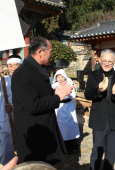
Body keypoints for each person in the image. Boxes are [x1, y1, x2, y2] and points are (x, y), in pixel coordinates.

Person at [11, 36, 74, 165]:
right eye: (50, 51)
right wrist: (57, 97)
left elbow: (43, 94)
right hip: (34, 138)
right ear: (40, 52)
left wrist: (56, 93)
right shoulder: (21, 74)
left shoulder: (38, 70)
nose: (52, 55)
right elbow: (33, 105)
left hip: (44, 133)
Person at [84, 49, 115, 170]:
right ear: (100, 61)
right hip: (99, 119)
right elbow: (87, 94)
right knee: (96, 152)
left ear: (114, 62)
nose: (106, 63)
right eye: (104, 61)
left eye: (109, 61)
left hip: (114, 119)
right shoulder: (93, 75)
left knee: (111, 152)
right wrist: (98, 89)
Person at [0, 54, 22, 165]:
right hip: (5, 121)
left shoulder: (25, 81)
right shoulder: (3, 81)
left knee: (22, 149)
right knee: (5, 150)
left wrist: (14, 106)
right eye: (10, 65)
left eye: (16, 65)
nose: (12, 68)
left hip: (21, 121)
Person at [51, 69, 80, 154]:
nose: (60, 79)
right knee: (60, 128)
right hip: (58, 108)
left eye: (62, 77)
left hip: (68, 108)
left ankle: (73, 146)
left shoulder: (69, 85)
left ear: (65, 77)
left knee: (70, 127)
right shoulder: (54, 86)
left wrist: (66, 94)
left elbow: (73, 96)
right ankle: (63, 147)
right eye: (58, 77)